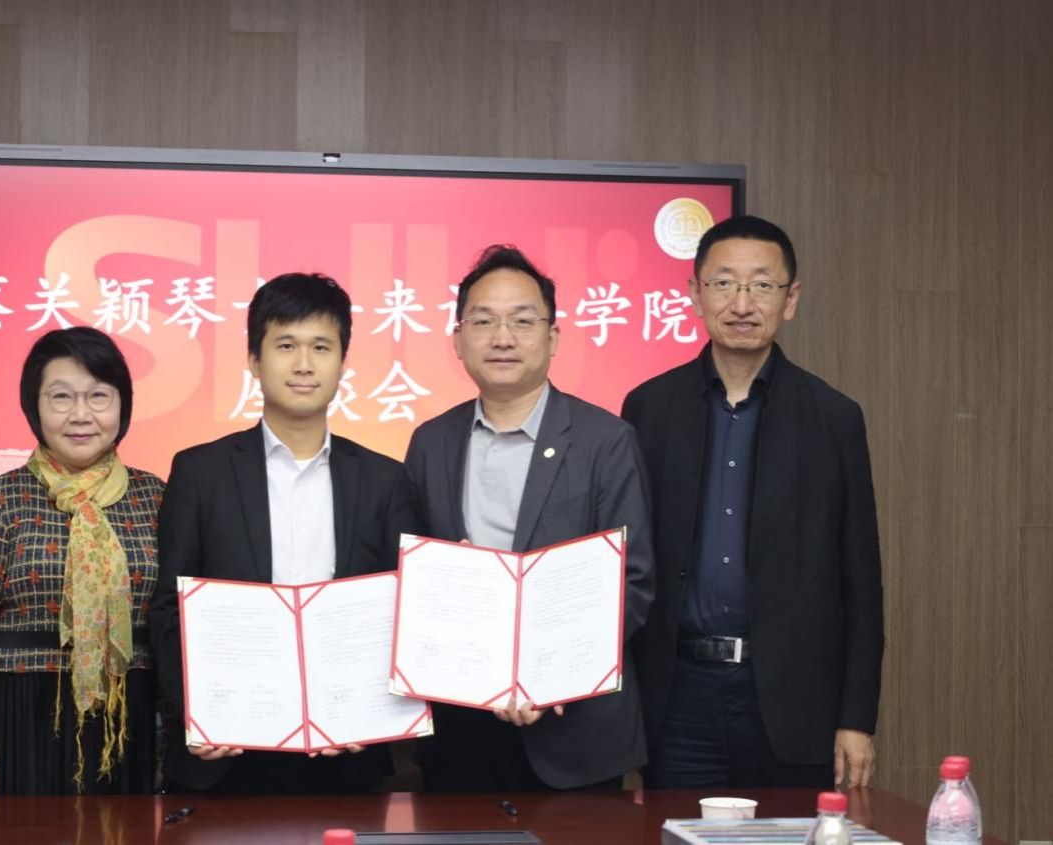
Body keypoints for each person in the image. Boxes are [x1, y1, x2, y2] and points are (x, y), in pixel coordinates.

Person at [620, 214, 884, 790]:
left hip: (792, 701)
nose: (742, 303)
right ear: (695, 294)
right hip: (676, 698)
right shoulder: (647, 408)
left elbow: (861, 582)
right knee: (675, 829)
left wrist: (856, 718)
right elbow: (625, 564)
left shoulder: (834, 417)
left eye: (762, 285)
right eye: (724, 283)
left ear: (791, 299)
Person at [149, 272, 420, 794]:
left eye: (321, 347)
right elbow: (168, 609)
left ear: (342, 361)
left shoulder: (385, 480)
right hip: (226, 754)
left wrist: (373, 711)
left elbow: (403, 611)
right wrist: (195, 713)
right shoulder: (200, 472)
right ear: (255, 360)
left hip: (347, 753)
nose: (303, 364)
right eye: (286, 345)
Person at [404, 245, 655, 791]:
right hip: (460, 729)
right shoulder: (431, 443)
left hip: (575, 732)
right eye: (483, 321)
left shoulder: (606, 440)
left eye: (522, 321)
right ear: (458, 339)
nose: (503, 338)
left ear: (553, 337)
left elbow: (631, 583)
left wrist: (550, 677)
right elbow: (412, 581)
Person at [0, 326, 165, 796]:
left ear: (122, 404)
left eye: (98, 396)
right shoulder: (2, 496)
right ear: (35, 407)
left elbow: (175, 628)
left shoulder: (155, 496)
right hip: (24, 715)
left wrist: (173, 745)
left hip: (130, 720)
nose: (81, 414)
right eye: (61, 397)